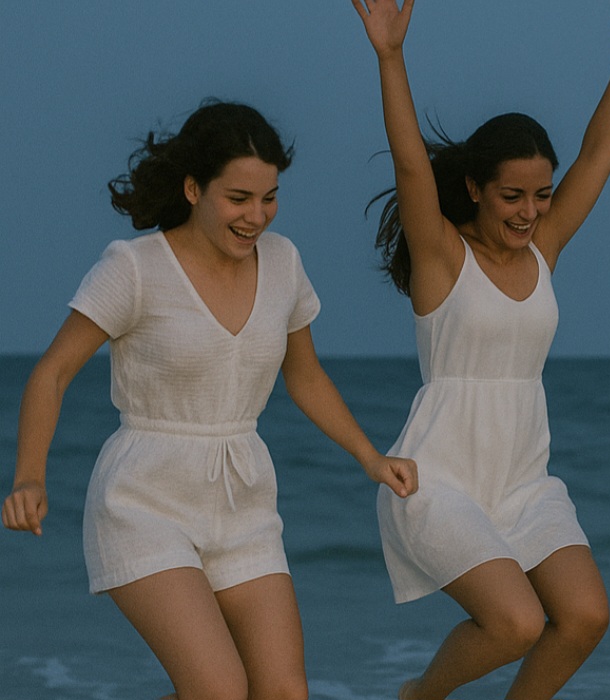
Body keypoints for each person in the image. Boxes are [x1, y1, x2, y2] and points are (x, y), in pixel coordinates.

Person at [2, 101, 418, 700]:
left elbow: (305, 376)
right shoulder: (134, 268)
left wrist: (370, 457)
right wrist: (29, 476)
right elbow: (52, 371)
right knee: (219, 688)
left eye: (269, 198)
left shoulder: (284, 262)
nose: (257, 216)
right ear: (193, 188)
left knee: (284, 693)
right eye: (238, 198)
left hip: (243, 496)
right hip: (143, 499)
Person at [351, 0, 610, 698]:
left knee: (584, 618)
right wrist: (390, 58)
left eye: (541, 195)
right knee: (515, 623)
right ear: (474, 190)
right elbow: (410, 166)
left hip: (523, 480)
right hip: (439, 480)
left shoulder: (543, 249)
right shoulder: (442, 258)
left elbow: (600, 152)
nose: (529, 212)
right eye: (512, 196)